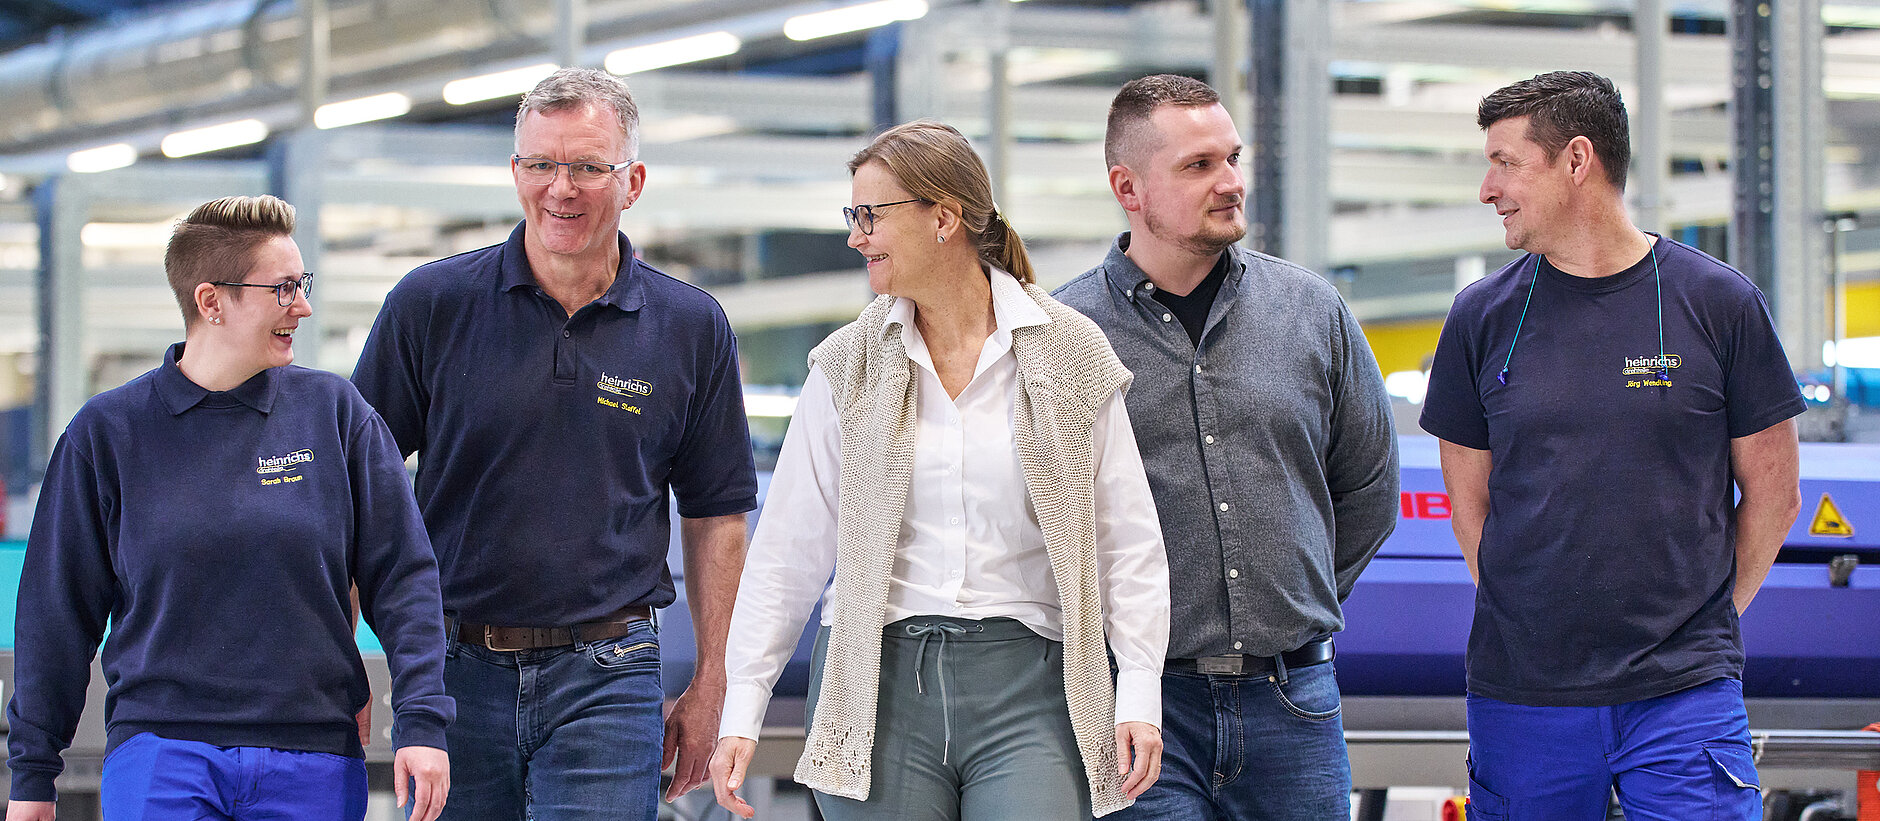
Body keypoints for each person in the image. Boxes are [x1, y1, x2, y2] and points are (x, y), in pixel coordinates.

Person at [707, 120, 1171, 820]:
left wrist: (1139, 687)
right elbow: (788, 553)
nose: (856, 236)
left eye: (871, 215)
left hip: (1033, 689)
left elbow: (1127, 538)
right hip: (876, 686)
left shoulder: (1068, 351)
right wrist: (743, 706)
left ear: (944, 218)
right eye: (852, 215)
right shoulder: (846, 365)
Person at [351, 67, 756, 820]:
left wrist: (713, 680)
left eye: (587, 167)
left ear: (632, 180)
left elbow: (716, 515)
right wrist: (338, 655)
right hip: (450, 669)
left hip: (610, 671)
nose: (560, 188)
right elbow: (352, 492)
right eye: (541, 164)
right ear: (515, 172)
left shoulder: (690, 327)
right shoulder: (430, 306)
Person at [1421, 71, 1805, 821]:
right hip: (1524, 696)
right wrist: (1529, 618)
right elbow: (1469, 500)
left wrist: (1707, 621)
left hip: (1683, 694)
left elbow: (1775, 493)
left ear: (1575, 160)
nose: (1487, 187)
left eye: (1505, 162)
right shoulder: (1480, 318)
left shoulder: (1719, 304)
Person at [5, 195, 452, 821]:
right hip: (162, 754)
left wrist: (423, 720)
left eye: (303, 284)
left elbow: (403, 578)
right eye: (283, 288)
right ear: (210, 301)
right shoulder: (108, 434)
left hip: (311, 757)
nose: (303, 305)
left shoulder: (337, 417)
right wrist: (32, 777)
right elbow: (57, 613)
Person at [1052, 74, 1399, 819]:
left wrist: (1293, 602)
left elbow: (1369, 489)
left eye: (1232, 158)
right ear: (1128, 188)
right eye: (1198, 165)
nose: (1230, 183)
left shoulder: (1312, 312)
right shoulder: (1065, 335)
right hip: (1139, 715)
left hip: (1295, 702)